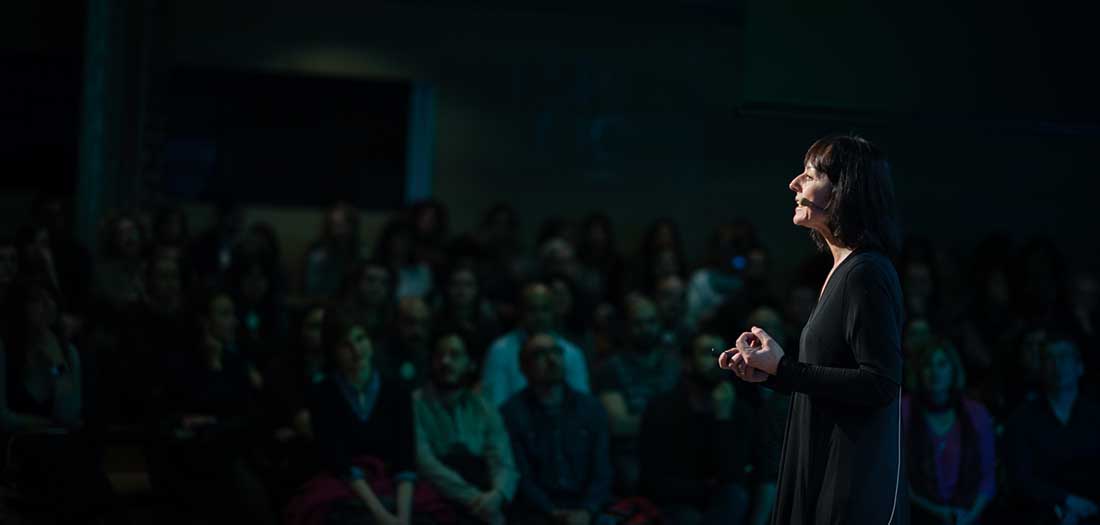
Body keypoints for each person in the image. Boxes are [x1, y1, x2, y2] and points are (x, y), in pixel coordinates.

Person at [720, 135, 907, 524]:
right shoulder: (843, 270)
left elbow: (881, 383)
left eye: (810, 174)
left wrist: (786, 369)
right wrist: (772, 371)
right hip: (825, 461)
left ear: (844, 191)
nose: (794, 183)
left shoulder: (866, 272)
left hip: (849, 481)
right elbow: (831, 376)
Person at [640, 333, 778, 525]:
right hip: (676, 502)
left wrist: (723, 419)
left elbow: (734, 475)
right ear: (687, 362)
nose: (718, 361)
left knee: (736, 496)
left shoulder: (738, 410)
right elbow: (656, 478)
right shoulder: (664, 408)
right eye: (708, 353)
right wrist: (707, 488)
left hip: (723, 500)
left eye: (722, 353)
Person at [500, 332, 612, 525]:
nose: (551, 359)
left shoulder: (591, 409)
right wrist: (552, 511)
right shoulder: (511, 414)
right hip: (537, 512)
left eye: (556, 352)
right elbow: (520, 476)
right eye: (540, 354)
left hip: (586, 508)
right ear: (524, 367)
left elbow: (602, 470)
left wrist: (587, 510)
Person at [413, 331, 518, 525]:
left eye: (454, 355)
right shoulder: (415, 405)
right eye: (439, 355)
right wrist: (475, 500)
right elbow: (425, 464)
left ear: (470, 363)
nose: (445, 361)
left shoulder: (484, 407)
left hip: (485, 499)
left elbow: (503, 461)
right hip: (438, 501)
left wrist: (498, 495)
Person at [1003, 336, 1100, 525]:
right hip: (1042, 514)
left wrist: (1082, 508)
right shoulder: (1022, 419)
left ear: (1080, 367)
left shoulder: (1095, 416)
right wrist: (1064, 502)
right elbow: (1021, 478)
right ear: (1041, 369)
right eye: (1050, 359)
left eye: (1064, 357)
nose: (1058, 364)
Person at [902, 340, 995, 525]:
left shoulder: (976, 413)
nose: (935, 372)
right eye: (928, 365)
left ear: (953, 369)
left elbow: (987, 479)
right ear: (919, 371)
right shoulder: (903, 411)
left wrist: (968, 517)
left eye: (942, 364)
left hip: (968, 515)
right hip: (918, 516)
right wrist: (940, 513)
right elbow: (899, 479)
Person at [481, 282, 589, 407]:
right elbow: (494, 404)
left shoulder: (571, 353)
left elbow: (581, 404)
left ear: (553, 311)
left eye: (544, 309)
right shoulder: (500, 351)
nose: (539, 316)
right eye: (532, 309)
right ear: (521, 311)